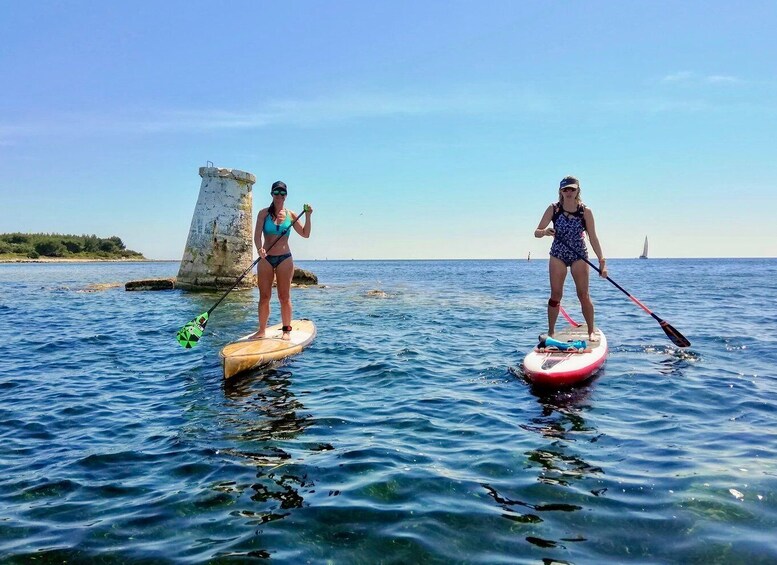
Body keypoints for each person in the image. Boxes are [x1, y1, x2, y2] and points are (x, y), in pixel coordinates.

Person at [534, 175, 607, 341]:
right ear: (560, 191)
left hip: (579, 255)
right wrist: (544, 232)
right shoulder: (553, 209)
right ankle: (551, 332)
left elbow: (593, 238)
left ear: (577, 191)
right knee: (556, 295)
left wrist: (602, 261)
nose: (568, 192)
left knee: (583, 295)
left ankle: (590, 331)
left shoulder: (585, 211)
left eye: (572, 189)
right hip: (558, 254)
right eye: (565, 189)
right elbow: (537, 232)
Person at [253, 180, 313, 340]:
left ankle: (286, 331)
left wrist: (308, 215)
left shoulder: (291, 215)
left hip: (285, 259)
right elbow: (257, 235)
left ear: (286, 196)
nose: (279, 196)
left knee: (284, 297)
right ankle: (261, 331)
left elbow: (306, 234)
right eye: (276, 193)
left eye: (282, 193)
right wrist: (260, 248)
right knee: (264, 297)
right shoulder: (263, 213)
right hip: (265, 258)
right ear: (272, 194)